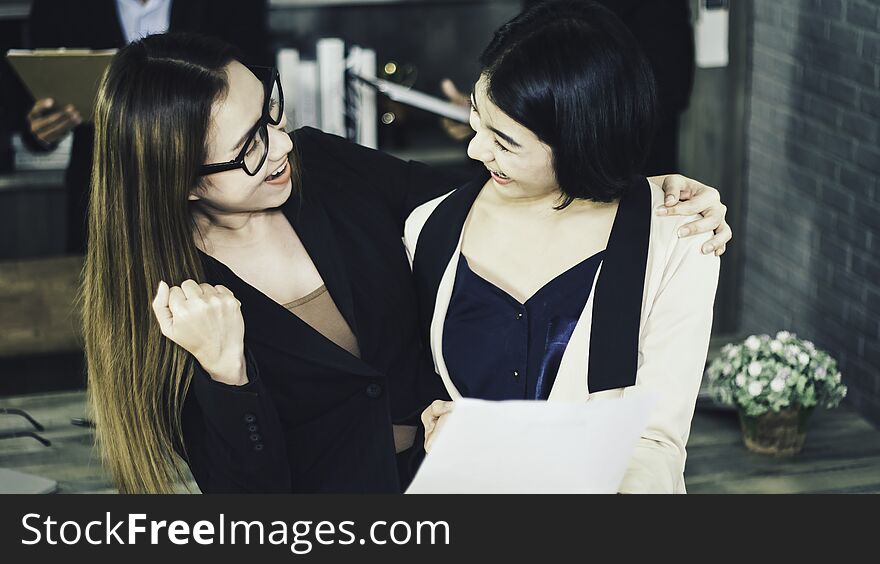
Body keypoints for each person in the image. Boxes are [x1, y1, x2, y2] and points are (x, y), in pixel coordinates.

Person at [82, 31, 731, 494]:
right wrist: (227, 374)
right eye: (249, 147)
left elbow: (482, 201)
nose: (282, 144)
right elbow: (250, 501)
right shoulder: (170, 304)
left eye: (270, 112)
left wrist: (635, 188)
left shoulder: (323, 167)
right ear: (180, 179)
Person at [412, 1, 719, 494]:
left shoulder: (677, 237)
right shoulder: (430, 228)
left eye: (505, 141)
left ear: (581, 140)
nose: (474, 150)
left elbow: (654, 449)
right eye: (476, 119)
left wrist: (501, 448)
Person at [5, 0, 268, 253]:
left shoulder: (233, 5)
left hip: (204, 186)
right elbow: (24, 111)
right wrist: (41, 130)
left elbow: (257, 83)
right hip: (105, 189)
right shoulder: (60, 6)